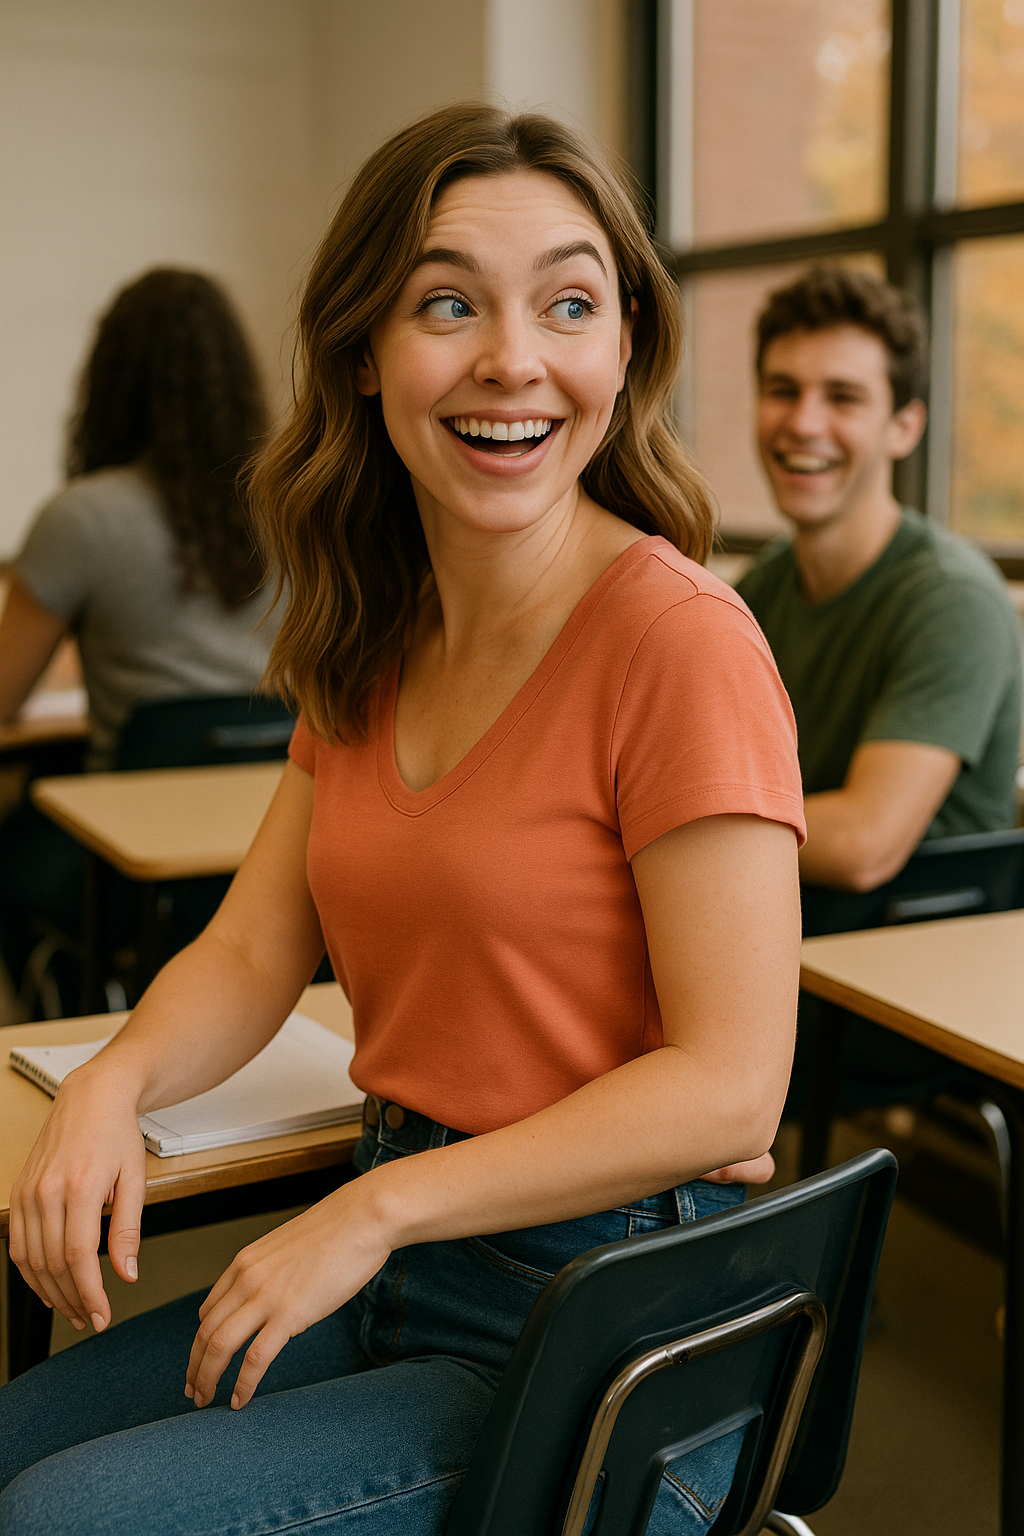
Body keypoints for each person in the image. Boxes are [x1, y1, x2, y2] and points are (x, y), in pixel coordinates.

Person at [0, 106, 804, 1535]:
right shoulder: (375, 629)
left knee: (64, 1516)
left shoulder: (681, 640)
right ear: (364, 354)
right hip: (410, 1247)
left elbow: (734, 1087)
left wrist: (375, 1212)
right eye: (449, 303)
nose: (514, 358)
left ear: (624, 347)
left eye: (569, 302)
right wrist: (110, 1085)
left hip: (615, 1327)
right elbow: (253, 953)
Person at [0, 268, 277, 1008]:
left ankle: (61, 1004)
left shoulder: (83, 518)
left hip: (121, 860)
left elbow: (2, 697)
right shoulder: (294, 506)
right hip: (274, 846)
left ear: (111, 381)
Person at [737, 265, 1022, 897]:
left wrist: (660, 821)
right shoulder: (759, 591)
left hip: (904, 976)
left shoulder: (951, 599)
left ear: (904, 428)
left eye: (843, 398)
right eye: (783, 390)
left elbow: (865, 845)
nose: (804, 423)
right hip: (785, 945)